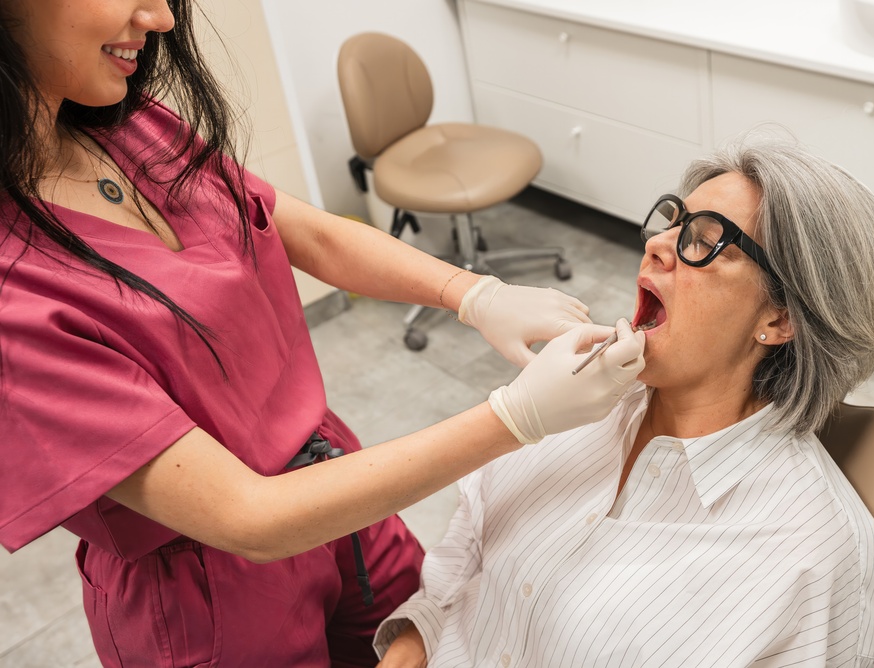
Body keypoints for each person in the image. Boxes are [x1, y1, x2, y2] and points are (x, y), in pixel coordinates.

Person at [0, 1, 647, 666]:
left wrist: (475, 293)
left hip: (336, 486)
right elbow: (246, 518)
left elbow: (299, 228)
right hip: (211, 590)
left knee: (425, 635)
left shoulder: (132, 128)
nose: (161, 17)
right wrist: (517, 417)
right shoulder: (12, 294)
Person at [375, 138, 874, 667]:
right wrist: (418, 636)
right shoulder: (572, 400)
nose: (658, 245)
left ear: (780, 320)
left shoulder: (809, 559)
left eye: (705, 241)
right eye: (674, 221)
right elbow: (473, 528)